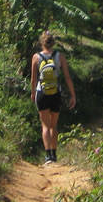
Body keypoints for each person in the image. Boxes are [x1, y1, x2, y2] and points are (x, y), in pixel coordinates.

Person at [30, 30, 76, 164]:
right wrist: (73, 95)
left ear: (41, 43)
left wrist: (33, 93)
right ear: (53, 43)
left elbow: (33, 79)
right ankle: (54, 155)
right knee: (53, 126)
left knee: (45, 125)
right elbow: (67, 77)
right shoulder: (60, 56)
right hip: (56, 93)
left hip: (42, 93)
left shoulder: (36, 57)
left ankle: (48, 155)